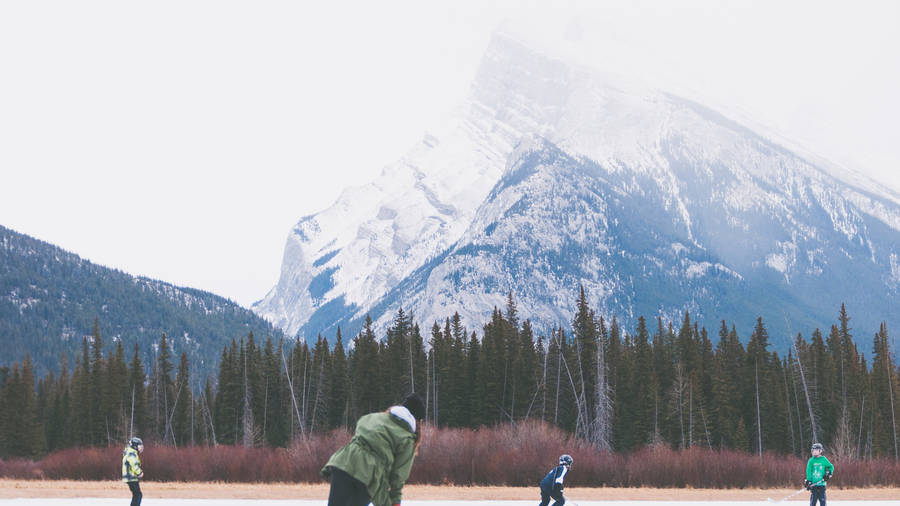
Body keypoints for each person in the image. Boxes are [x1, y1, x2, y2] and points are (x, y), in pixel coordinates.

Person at [322, 393, 426, 506]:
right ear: (417, 421)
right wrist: (396, 501)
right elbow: (398, 476)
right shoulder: (407, 439)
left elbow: (360, 430)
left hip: (343, 463)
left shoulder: (373, 417)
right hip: (368, 476)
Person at [122, 436, 144, 506]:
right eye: (139, 446)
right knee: (138, 495)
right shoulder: (132, 453)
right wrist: (139, 472)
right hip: (131, 478)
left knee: (136, 495)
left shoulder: (131, 452)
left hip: (131, 478)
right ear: (135, 446)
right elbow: (134, 465)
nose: (141, 448)